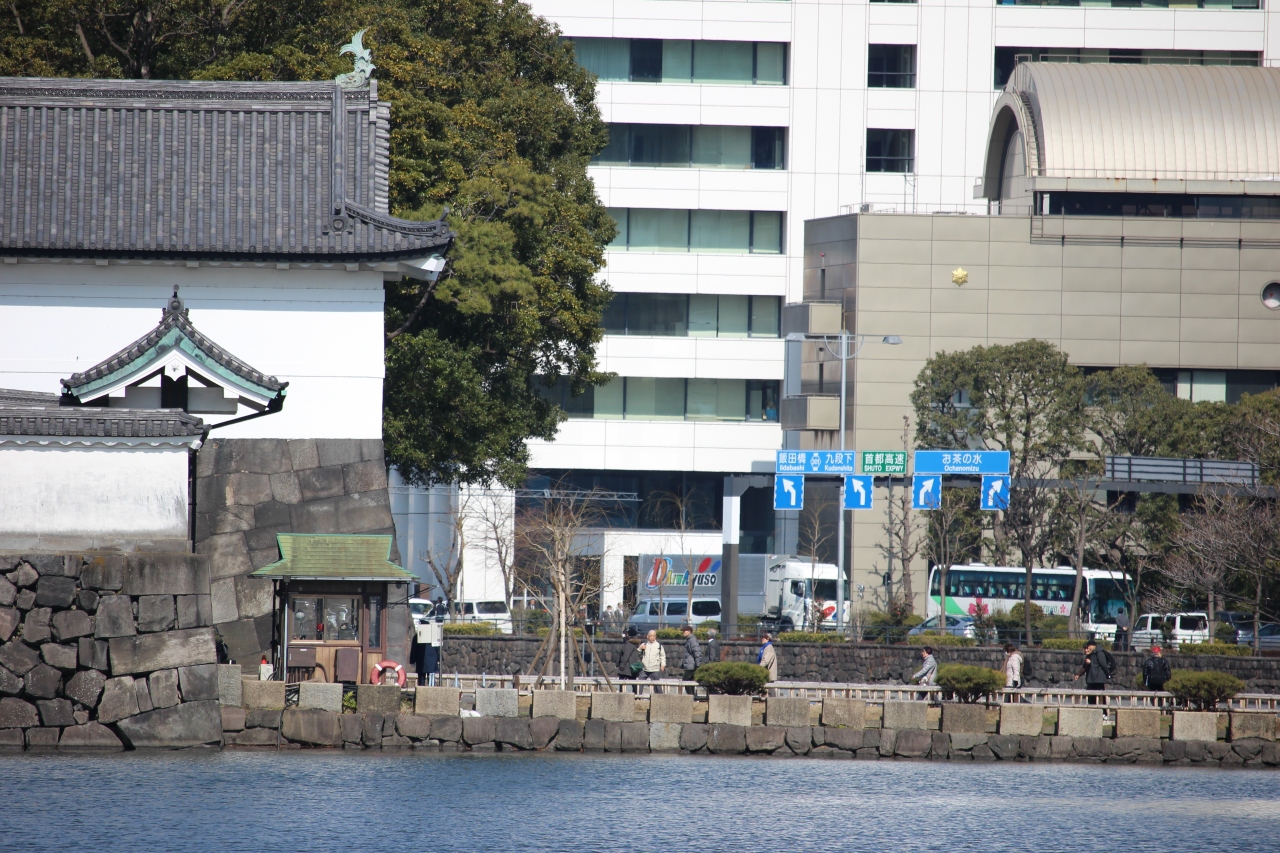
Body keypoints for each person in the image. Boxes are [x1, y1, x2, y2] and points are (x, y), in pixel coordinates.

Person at [1072, 640, 1115, 704]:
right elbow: (1084, 668)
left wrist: (1108, 674)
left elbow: (1103, 664)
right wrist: (1078, 674)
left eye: (1088, 647)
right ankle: (1093, 708)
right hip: (1092, 679)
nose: (1087, 649)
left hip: (1098, 679)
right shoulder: (1091, 654)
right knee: (1091, 697)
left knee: (1100, 696)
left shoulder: (1099, 653)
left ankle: (1103, 709)